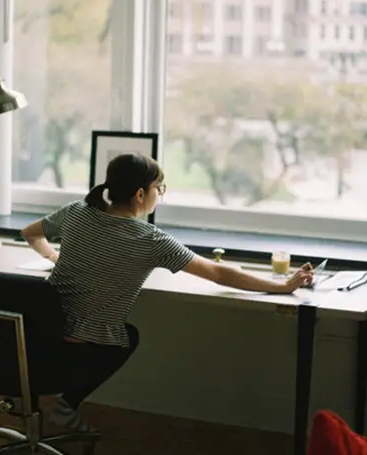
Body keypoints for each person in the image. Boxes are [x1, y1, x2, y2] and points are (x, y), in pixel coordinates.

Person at [20, 152, 314, 431]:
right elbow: (217, 272)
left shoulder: (76, 212)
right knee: (127, 336)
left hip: (40, 334)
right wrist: (282, 285)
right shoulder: (151, 240)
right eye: (158, 189)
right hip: (82, 348)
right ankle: (66, 405)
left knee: (119, 333)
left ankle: (64, 406)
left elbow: (29, 233)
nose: (159, 195)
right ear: (139, 195)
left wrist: (56, 258)